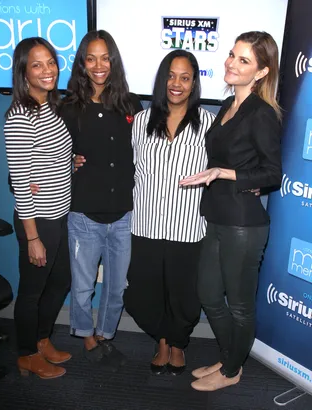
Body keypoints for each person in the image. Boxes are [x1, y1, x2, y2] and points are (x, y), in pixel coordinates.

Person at [179, 31, 282, 391]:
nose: (231, 63)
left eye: (243, 60)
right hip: (218, 215)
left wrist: (227, 173)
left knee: (240, 306)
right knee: (208, 294)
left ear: (261, 72)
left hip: (244, 224)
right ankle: (229, 356)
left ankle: (231, 370)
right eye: (231, 55)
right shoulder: (226, 106)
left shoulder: (262, 113)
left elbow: (272, 173)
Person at [123, 50, 215, 375]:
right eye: (171, 76)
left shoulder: (208, 124)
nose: (176, 84)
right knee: (144, 291)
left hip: (188, 227)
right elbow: (130, 168)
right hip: (146, 224)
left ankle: (177, 343)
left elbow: (220, 169)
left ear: (193, 84)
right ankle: (161, 339)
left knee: (185, 294)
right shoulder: (143, 121)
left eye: (185, 77)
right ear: (163, 80)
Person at [60, 30, 142, 369]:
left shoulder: (131, 104)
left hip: (122, 214)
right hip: (84, 215)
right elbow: (52, 155)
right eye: (91, 58)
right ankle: (85, 333)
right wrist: (69, 161)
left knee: (116, 288)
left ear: (114, 61)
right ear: (82, 62)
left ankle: (106, 333)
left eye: (105, 57)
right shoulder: (68, 107)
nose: (98, 65)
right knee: (81, 288)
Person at [4, 37, 72, 379]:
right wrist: (32, 238)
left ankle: (42, 339)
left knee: (60, 282)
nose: (48, 70)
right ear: (23, 73)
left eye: (51, 62)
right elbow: (20, 181)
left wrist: (68, 162)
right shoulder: (19, 116)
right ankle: (26, 353)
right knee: (31, 292)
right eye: (37, 65)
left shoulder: (48, 107)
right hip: (38, 222)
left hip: (57, 216)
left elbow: (42, 158)